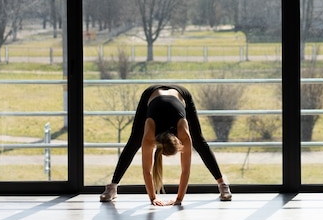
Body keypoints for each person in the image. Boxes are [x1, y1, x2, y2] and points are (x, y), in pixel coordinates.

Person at [99, 84, 232, 205]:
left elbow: (185, 170)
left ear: (179, 143)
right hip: (151, 94)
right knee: (134, 141)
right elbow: (147, 170)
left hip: (180, 94)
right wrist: (153, 198)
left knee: (198, 140)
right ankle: (112, 186)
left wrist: (179, 199)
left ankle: (222, 184)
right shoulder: (150, 131)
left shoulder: (183, 132)